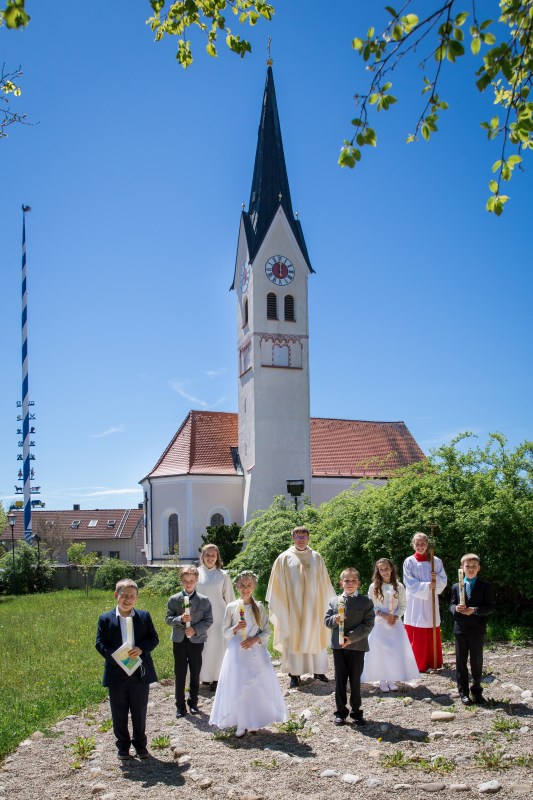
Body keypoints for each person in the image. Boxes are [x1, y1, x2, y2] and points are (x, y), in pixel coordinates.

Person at [210, 571, 288, 738]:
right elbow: (224, 632)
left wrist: (254, 640)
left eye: (249, 585)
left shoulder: (259, 607)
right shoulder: (231, 607)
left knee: (255, 685)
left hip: (255, 651)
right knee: (239, 684)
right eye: (242, 585)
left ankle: (253, 721)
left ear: (254, 587)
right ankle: (240, 722)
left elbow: (267, 631)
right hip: (237, 652)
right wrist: (235, 628)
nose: (245, 589)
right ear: (237, 586)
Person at [95, 578, 159, 760]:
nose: (128, 599)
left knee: (139, 710)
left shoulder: (144, 616)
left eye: (132, 596)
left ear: (137, 598)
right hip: (117, 673)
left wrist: (142, 648)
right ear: (116, 595)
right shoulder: (105, 619)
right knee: (119, 711)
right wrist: (116, 657)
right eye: (124, 595)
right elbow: (99, 644)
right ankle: (122, 746)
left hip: (139, 673)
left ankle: (140, 744)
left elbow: (153, 638)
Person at [266, 526, 336, 687]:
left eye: (304, 536)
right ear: (293, 538)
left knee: (315, 634)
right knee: (294, 636)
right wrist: (282, 604)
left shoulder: (316, 557)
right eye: (298, 536)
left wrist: (330, 604)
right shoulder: (284, 558)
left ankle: (319, 671)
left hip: (315, 606)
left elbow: (325, 583)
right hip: (292, 607)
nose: (301, 539)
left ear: (308, 538)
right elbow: (276, 585)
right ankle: (295, 674)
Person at [324, 568, 375, 726]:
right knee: (340, 680)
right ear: (341, 583)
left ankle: (356, 712)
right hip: (339, 648)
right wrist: (335, 619)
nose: (350, 583)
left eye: (353, 580)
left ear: (359, 583)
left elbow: (368, 624)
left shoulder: (365, 602)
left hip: (357, 646)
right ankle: (340, 712)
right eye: (347, 580)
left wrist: (351, 638)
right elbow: (326, 621)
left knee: (354, 680)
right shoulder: (334, 601)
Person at [361, 558, 419, 691]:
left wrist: (396, 616)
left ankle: (392, 678)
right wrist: (383, 615)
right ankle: (382, 680)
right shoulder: (373, 587)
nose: (384, 572)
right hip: (380, 623)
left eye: (386, 569)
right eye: (381, 570)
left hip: (395, 623)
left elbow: (403, 605)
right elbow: (371, 606)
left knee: (393, 650)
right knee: (380, 650)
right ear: (378, 571)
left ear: (391, 569)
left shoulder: (399, 586)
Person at [166, 565, 213, 718]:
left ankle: (193, 702)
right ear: (181, 581)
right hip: (179, 641)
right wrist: (180, 619)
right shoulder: (174, 599)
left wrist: (195, 629)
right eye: (185, 581)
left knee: (195, 671)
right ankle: (180, 705)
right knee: (180, 672)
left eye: (192, 580)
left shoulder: (203, 600)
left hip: (196, 640)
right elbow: (168, 619)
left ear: (196, 580)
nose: (188, 583)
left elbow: (208, 620)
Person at [450, 553, 494, 705]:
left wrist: (474, 610)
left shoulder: (485, 586)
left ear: (479, 568)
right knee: (461, 662)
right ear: (462, 568)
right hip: (460, 629)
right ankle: (463, 693)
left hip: (477, 629)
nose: (471, 569)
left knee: (476, 662)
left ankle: (477, 691)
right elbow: (451, 605)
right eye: (467, 566)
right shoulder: (456, 586)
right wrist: (456, 608)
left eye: (474, 566)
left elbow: (489, 607)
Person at [403, 532, 447, 672]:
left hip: (430, 600)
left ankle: (432, 661)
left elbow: (443, 580)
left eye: (423, 544)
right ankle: (417, 663)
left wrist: (436, 580)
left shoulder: (436, 561)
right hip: (415, 601)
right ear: (413, 545)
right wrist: (428, 585)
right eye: (417, 544)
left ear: (427, 545)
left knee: (430, 625)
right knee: (417, 626)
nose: (420, 546)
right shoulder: (409, 561)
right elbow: (409, 582)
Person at [197, 543, 235, 692]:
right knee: (204, 647)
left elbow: (230, 598)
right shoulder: (196, 573)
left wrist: (232, 619)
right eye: (208, 555)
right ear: (203, 556)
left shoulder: (223, 575)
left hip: (219, 615)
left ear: (217, 557)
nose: (210, 558)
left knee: (218, 647)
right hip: (200, 615)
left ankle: (218, 678)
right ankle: (205, 677)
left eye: (213, 555)